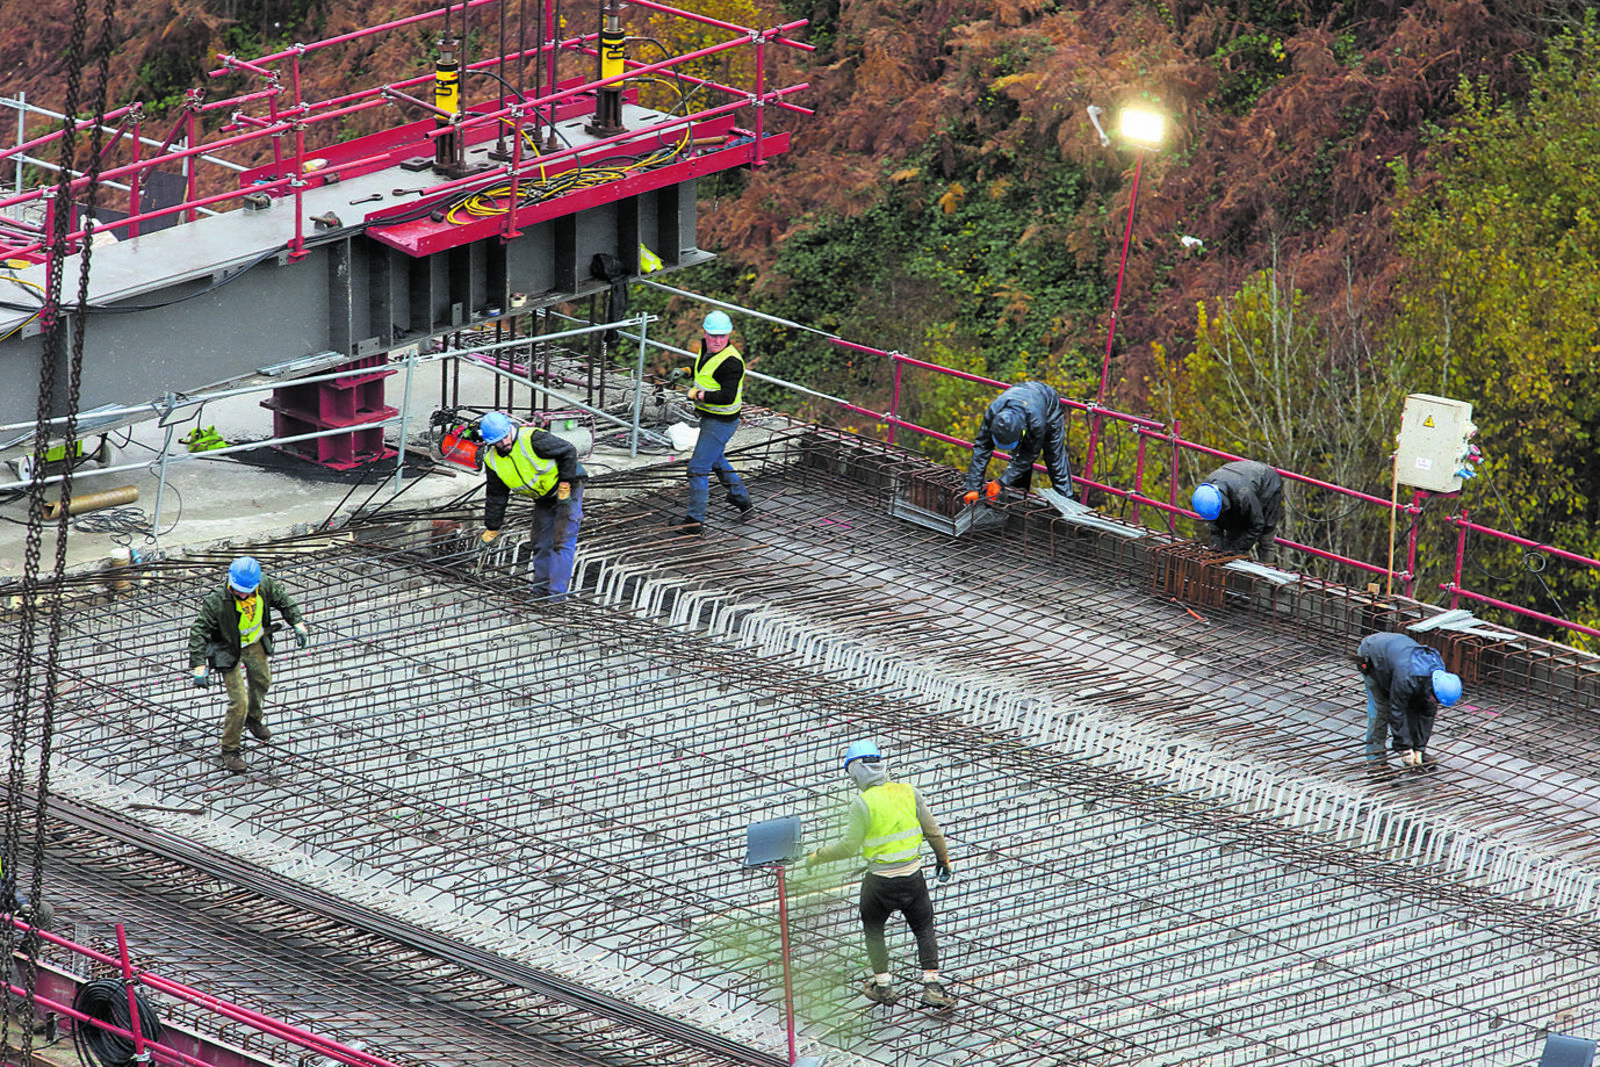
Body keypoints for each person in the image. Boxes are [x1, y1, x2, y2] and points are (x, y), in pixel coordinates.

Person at [806, 739, 956, 1009]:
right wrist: (942, 858)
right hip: (912, 878)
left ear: (856, 773)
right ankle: (932, 985)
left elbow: (849, 847)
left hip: (879, 883)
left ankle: (884, 987)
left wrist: (818, 856)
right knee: (923, 928)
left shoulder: (862, 803)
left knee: (874, 930)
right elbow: (933, 831)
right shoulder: (908, 791)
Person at [188, 556, 307, 774]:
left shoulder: (264, 584)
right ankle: (230, 749)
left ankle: (254, 719)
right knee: (239, 702)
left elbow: (285, 602)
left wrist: (298, 624)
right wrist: (199, 665)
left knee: (262, 681)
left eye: (246, 591)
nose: (242, 595)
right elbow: (199, 631)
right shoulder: (217, 600)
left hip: (254, 643)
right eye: (238, 590)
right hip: (228, 649)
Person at [479, 411, 586, 600]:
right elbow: (496, 495)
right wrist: (492, 527)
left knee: (562, 540)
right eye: (498, 441)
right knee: (540, 542)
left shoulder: (533, 439)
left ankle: (556, 596)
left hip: (567, 487)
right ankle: (540, 590)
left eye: (505, 437)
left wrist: (565, 483)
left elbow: (568, 451)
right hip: (543, 496)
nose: (504, 443)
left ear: (509, 429)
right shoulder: (493, 460)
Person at [681, 310, 753, 534]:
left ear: (729, 334)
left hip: (721, 421)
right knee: (716, 459)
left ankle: (694, 522)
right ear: (705, 333)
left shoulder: (731, 362)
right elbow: (704, 370)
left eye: (722, 336)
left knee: (697, 469)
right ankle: (740, 498)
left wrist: (698, 396)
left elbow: (727, 396)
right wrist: (687, 371)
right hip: (710, 417)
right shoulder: (706, 348)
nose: (717, 341)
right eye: (713, 336)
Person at [1355, 632, 1462, 773]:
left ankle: (1414, 752)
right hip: (1373, 654)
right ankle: (1376, 760)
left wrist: (1419, 748)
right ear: (1433, 691)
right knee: (1381, 709)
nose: (1436, 704)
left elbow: (1426, 716)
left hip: (1396, 657)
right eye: (1436, 701)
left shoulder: (1436, 680)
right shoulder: (1407, 679)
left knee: (1417, 705)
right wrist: (1404, 748)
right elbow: (1396, 711)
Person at [963, 381, 1074, 505]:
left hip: (1046, 404)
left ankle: (1066, 501)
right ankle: (1018, 500)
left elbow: (1029, 455)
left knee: (1054, 458)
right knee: (1017, 458)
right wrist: (973, 488)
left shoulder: (1036, 422)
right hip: (1021, 396)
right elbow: (982, 447)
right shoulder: (993, 414)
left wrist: (1001, 482)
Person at [1191, 460, 1284, 554]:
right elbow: (1214, 522)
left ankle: (1265, 565)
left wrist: (1237, 551)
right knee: (1232, 533)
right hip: (1240, 480)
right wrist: (1217, 547)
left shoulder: (1243, 496)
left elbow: (1256, 525)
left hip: (1267, 483)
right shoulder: (1207, 491)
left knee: (1265, 538)